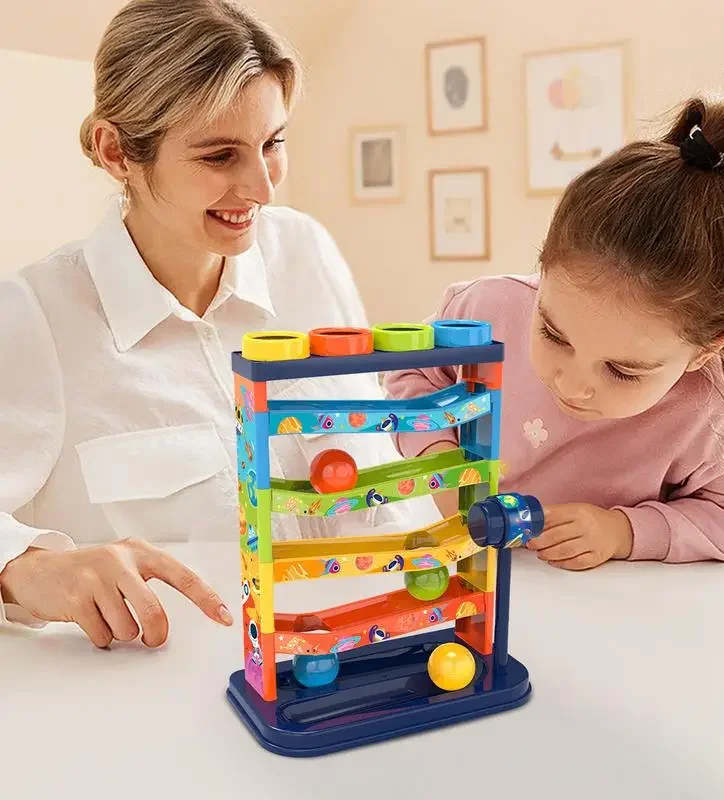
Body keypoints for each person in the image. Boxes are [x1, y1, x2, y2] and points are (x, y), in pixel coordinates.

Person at [0, 0, 438, 647]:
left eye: (273, 144)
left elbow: (371, 459)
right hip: (155, 711)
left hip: (365, 664)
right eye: (220, 155)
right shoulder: (34, 314)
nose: (262, 186)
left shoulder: (306, 254)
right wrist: (24, 568)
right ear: (117, 151)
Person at [384, 95, 724, 570]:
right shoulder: (487, 310)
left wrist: (624, 531)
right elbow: (413, 376)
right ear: (544, 267)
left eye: (623, 371)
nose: (571, 384)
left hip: (599, 604)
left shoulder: (712, 407)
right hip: (472, 569)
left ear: (705, 352)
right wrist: (443, 464)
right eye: (554, 335)